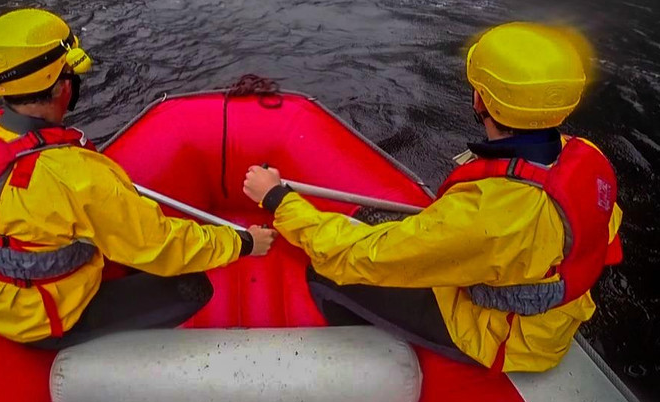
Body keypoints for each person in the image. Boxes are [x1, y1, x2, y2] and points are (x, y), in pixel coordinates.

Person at [242, 22, 623, 373]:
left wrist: (278, 199)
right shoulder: (585, 154)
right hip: (545, 319)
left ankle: (357, 365)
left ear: (480, 100)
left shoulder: (486, 215)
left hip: (503, 337)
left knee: (324, 271)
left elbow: (356, 257)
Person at [0, 8, 274, 349]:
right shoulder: (78, 177)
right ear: (61, 86)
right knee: (191, 288)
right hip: (39, 316)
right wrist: (243, 242)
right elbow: (161, 246)